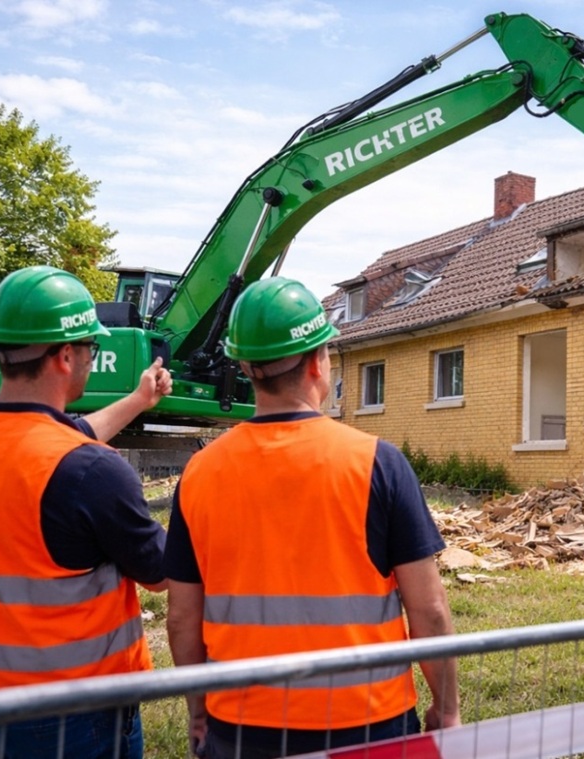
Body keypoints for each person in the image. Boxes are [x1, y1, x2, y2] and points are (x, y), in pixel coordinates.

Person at [164, 277, 460, 759]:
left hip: (241, 724)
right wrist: (446, 708)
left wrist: (199, 711)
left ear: (244, 368)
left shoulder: (200, 472)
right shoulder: (377, 463)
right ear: (319, 361)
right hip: (367, 723)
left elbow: (181, 619)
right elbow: (428, 610)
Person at [0, 265, 172, 759]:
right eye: (90, 349)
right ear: (65, 355)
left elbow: (58, 442)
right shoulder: (89, 471)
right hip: (74, 714)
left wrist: (138, 401)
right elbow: (164, 573)